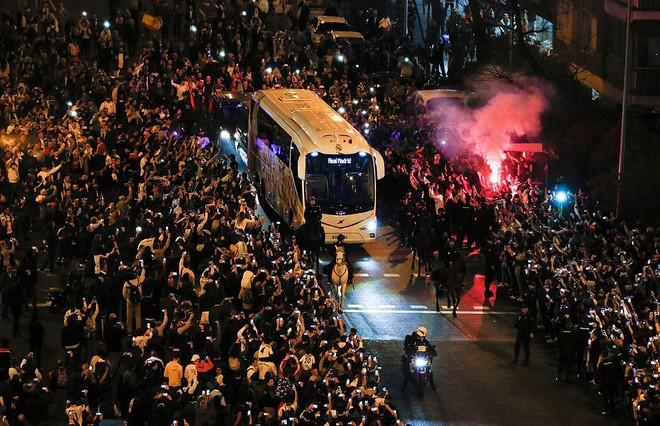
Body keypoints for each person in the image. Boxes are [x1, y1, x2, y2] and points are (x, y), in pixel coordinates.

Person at [402, 326, 437, 390]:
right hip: (414, 358)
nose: (421, 338)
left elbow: (429, 347)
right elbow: (407, 347)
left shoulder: (425, 341)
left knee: (429, 370)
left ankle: (432, 385)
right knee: (407, 372)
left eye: (422, 337)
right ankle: (404, 387)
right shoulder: (411, 339)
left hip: (422, 358)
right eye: (420, 336)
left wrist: (432, 352)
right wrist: (409, 352)